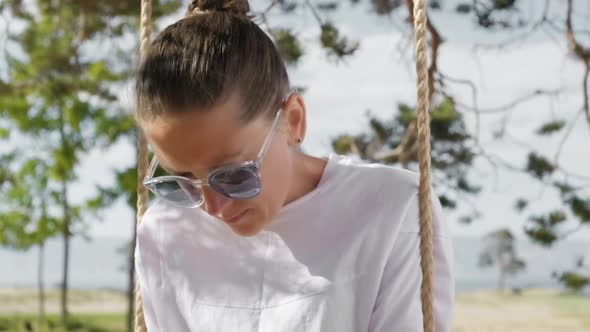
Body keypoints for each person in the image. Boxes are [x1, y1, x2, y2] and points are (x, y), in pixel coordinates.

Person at [134, 0, 454, 331]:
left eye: (232, 175)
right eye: (181, 180)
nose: (213, 207)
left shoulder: (391, 207)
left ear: (294, 121)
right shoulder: (165, 230)